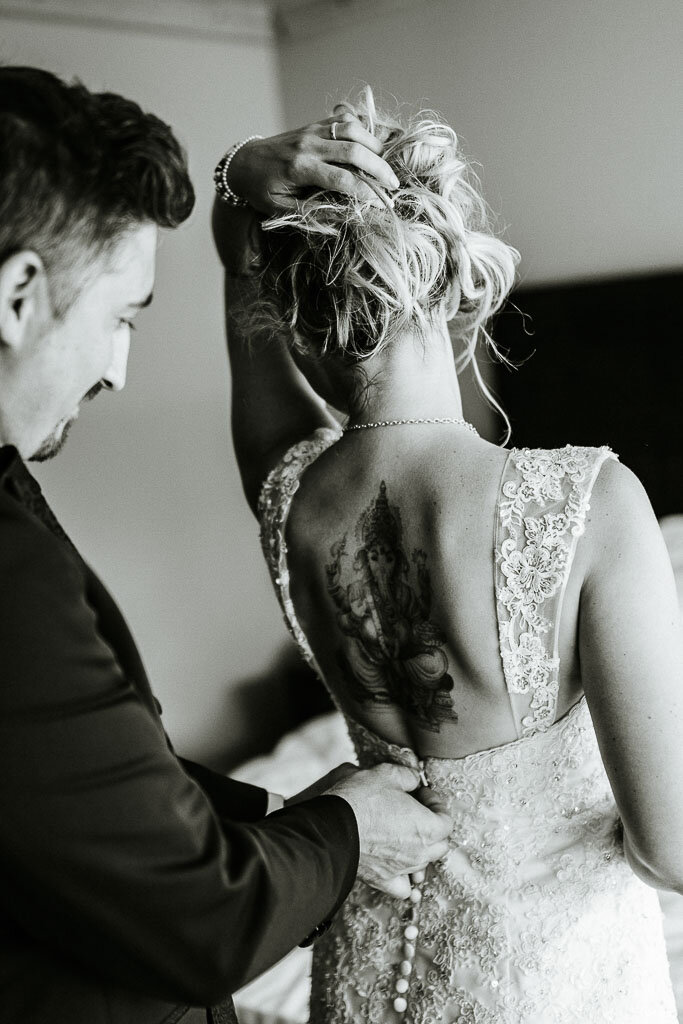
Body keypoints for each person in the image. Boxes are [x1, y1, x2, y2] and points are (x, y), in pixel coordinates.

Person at [213, 88, 683, 1022]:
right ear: (461, 279)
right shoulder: (590, 505)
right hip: (555, 986)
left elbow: (244, 315)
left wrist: (238, 183)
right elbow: (667, 848)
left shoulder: (289, 494)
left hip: (366, 963)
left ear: (293, 313)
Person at [0, 67, 455, 1024]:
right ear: (18, 298)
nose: (119, 371)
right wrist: (336, 832)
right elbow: (194, 917)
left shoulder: (301, 489)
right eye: (122, 318)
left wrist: (272, 818)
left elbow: (69, 774)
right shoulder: (595, 501)